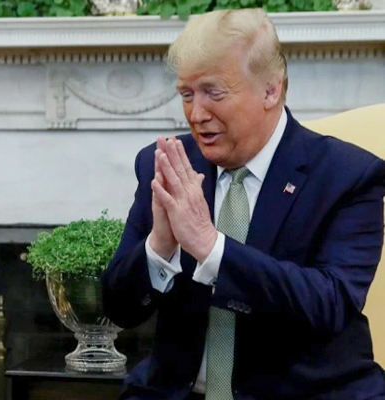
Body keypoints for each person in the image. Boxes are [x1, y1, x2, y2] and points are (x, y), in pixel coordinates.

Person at [103, 8, 385, 400]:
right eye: (187, 94)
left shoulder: (347, 175)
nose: (196, 114)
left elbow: (330, 304)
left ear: (271, 90)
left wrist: (211, 248)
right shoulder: (168, 165)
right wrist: (159, 248)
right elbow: (119, 309)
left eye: (214, 93)